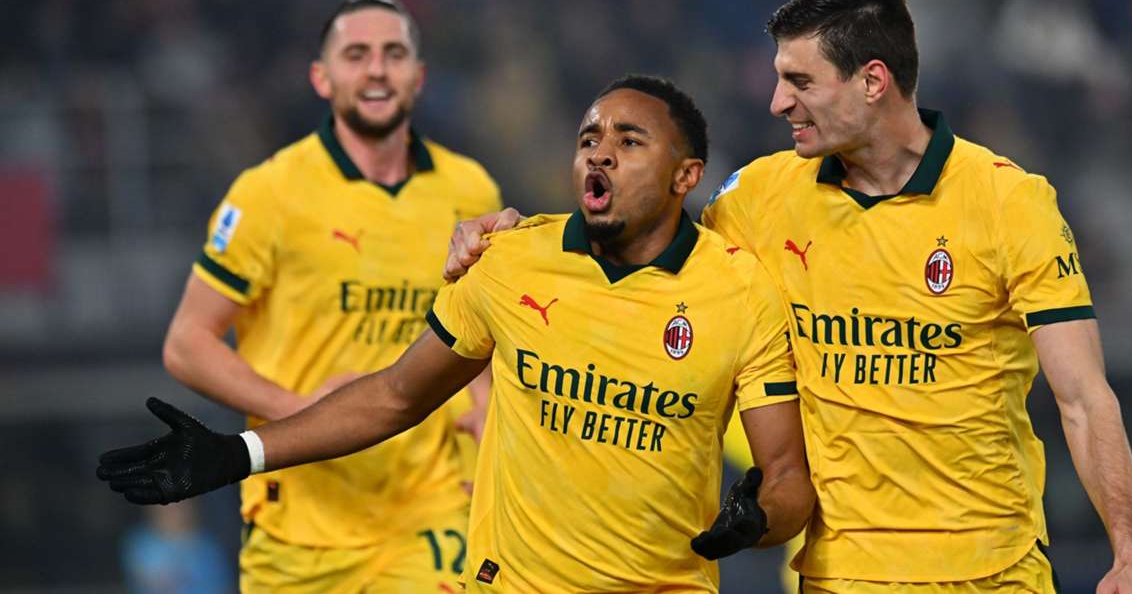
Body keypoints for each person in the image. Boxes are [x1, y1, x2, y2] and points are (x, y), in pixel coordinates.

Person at [443, 0, 1132, 593]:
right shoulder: (759, 197)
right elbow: (642, 245)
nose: (777, 103)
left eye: (800, 82)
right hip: (840, 574)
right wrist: (523, 232)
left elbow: (1083, 398)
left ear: (872, 81)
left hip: (994, 572)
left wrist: (1131, 554)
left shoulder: (1009, 202)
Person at [99, 75, 816, 593]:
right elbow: (394, 397)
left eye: (629, 141)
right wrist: (240, 452)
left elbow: (786, 476)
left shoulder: (740, 291)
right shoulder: (508, 262)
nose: (599, 153)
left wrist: (758, 521)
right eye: (589, 139)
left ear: (686, 175)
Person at [158, 0, 501, 592]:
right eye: (357, 55)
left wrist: (485, 402)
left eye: (394, 54)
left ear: (419, 77)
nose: (377, 70)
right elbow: (187, 344)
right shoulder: (268, 194)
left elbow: (476, 329)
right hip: (301, 523)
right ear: (322, 77)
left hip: (431, 510)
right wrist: (300, 411)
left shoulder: (469, 189)